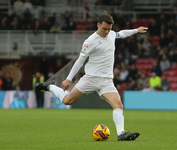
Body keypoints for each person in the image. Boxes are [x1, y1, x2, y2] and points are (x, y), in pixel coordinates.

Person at [36, 11, 148, 141]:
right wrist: (68, 79)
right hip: (91, 79)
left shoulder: (111, 34)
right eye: (104, 29)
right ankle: (50, 87)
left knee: (118, 105)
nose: (106, 32)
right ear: (98, 25)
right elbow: (80, 61)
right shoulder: (90, 41)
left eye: (109, 29)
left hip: (107, 81)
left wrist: (136, 30)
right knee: (67, 100)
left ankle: (121, 133)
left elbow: (121, 34)